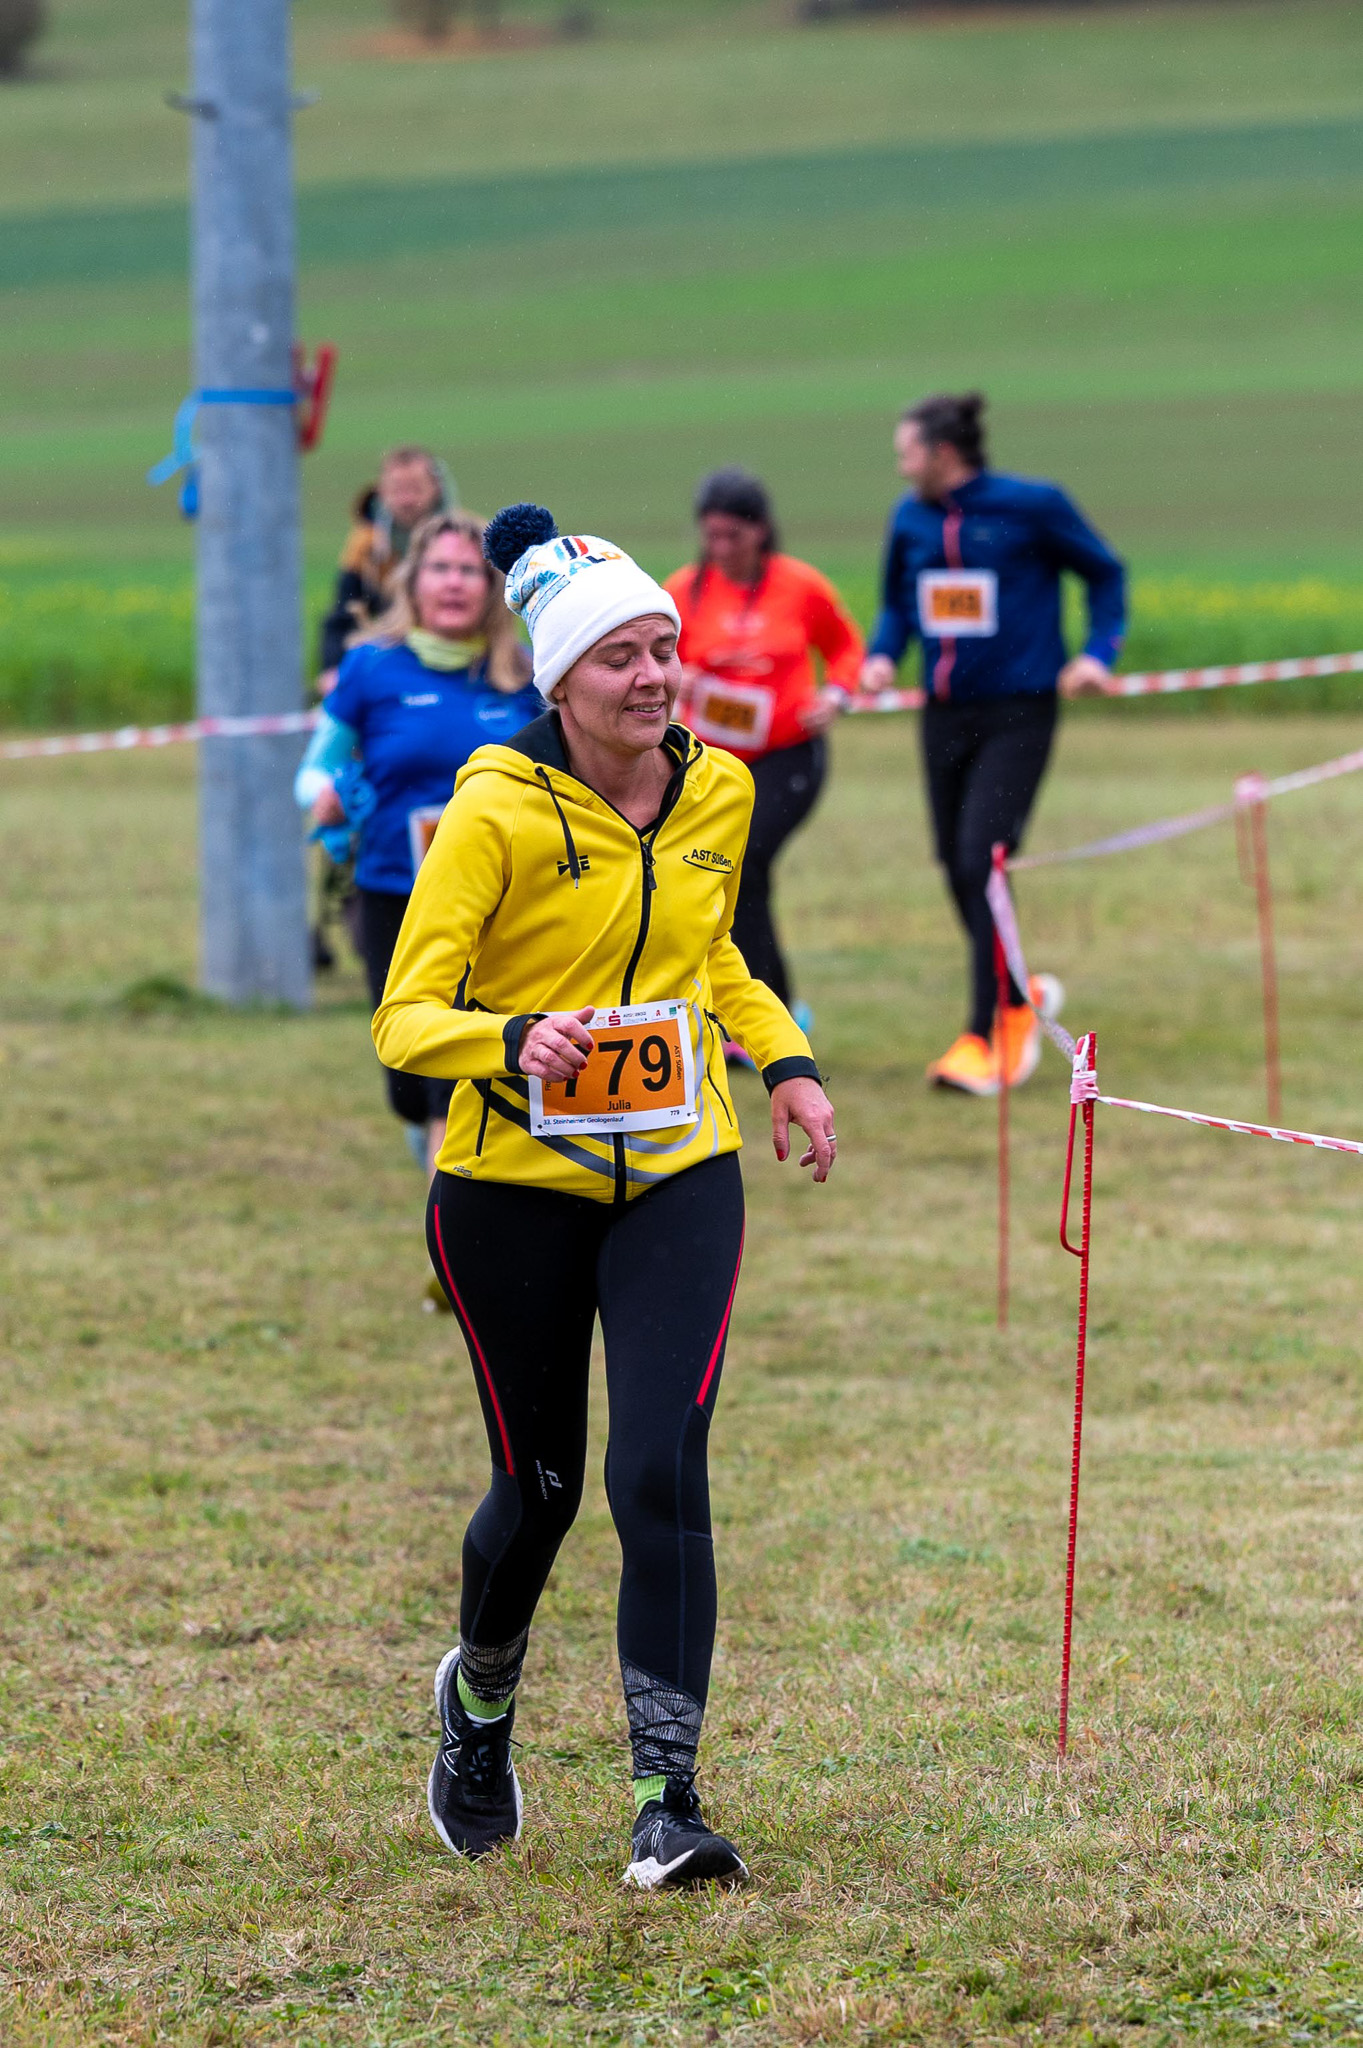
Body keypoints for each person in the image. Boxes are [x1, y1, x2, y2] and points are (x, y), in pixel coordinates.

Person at [372, 502, 838, 1888]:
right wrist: (511, 1038)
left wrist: (786, 1065)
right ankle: (478, 1705)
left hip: (677, 1171)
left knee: (659, 1470)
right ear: (558, 682)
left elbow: (714, 957)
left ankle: (664, 1803)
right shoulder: (493, 807)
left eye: (661, 649)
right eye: (619, 657)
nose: (652, 677)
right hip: (508, 1186)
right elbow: (404, 1017)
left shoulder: (718, 790)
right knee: (543, 1489)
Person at [861, 392, 1126, 1096]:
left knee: (984, 858)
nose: (900, 466)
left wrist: (1097, 653)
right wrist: (882, 655)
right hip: (942, 713)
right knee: (955, 862)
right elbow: (896, 603)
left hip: (1020, 712)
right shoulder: (909, 517)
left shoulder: (1033, 505)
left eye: (907, 452)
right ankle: (1016, 987)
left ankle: (989, 1033)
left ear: (943, 453)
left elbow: (1106, 572)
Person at [295, 511, 539, 1173]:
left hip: (497, 906)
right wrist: (323, 796)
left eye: (469, 570)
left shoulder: (525, 678)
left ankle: (451, 1208)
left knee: (451, 1080)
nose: (454, 583)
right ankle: (435, 1140)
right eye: (440, 568)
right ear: (413, 581)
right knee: (407, 1079)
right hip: (393, 895)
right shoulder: (370, 668)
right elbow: (314, 769)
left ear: (492, 589)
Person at [665, 469, 863, 1039]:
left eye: (734, 535)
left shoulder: (800, 585)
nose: (722, 548)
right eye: (712, 536)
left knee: (743, 864)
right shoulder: (682, 590)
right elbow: (654, 657)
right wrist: (678, 676)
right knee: (721, 874)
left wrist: (837, 695)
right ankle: (753, 1012)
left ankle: (767, 1015)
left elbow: (845, 646)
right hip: (711, 762)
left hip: (787, 755)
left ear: (761, 531)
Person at [315, 445, 452, 690]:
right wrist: (332, 667)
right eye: (397, 490)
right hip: (389, 651)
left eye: (416, 489)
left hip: (452, 650)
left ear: (436, 488)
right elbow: (344, 611)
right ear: (382, 492)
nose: (406, 500)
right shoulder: (366, 544)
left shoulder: (458, 540)